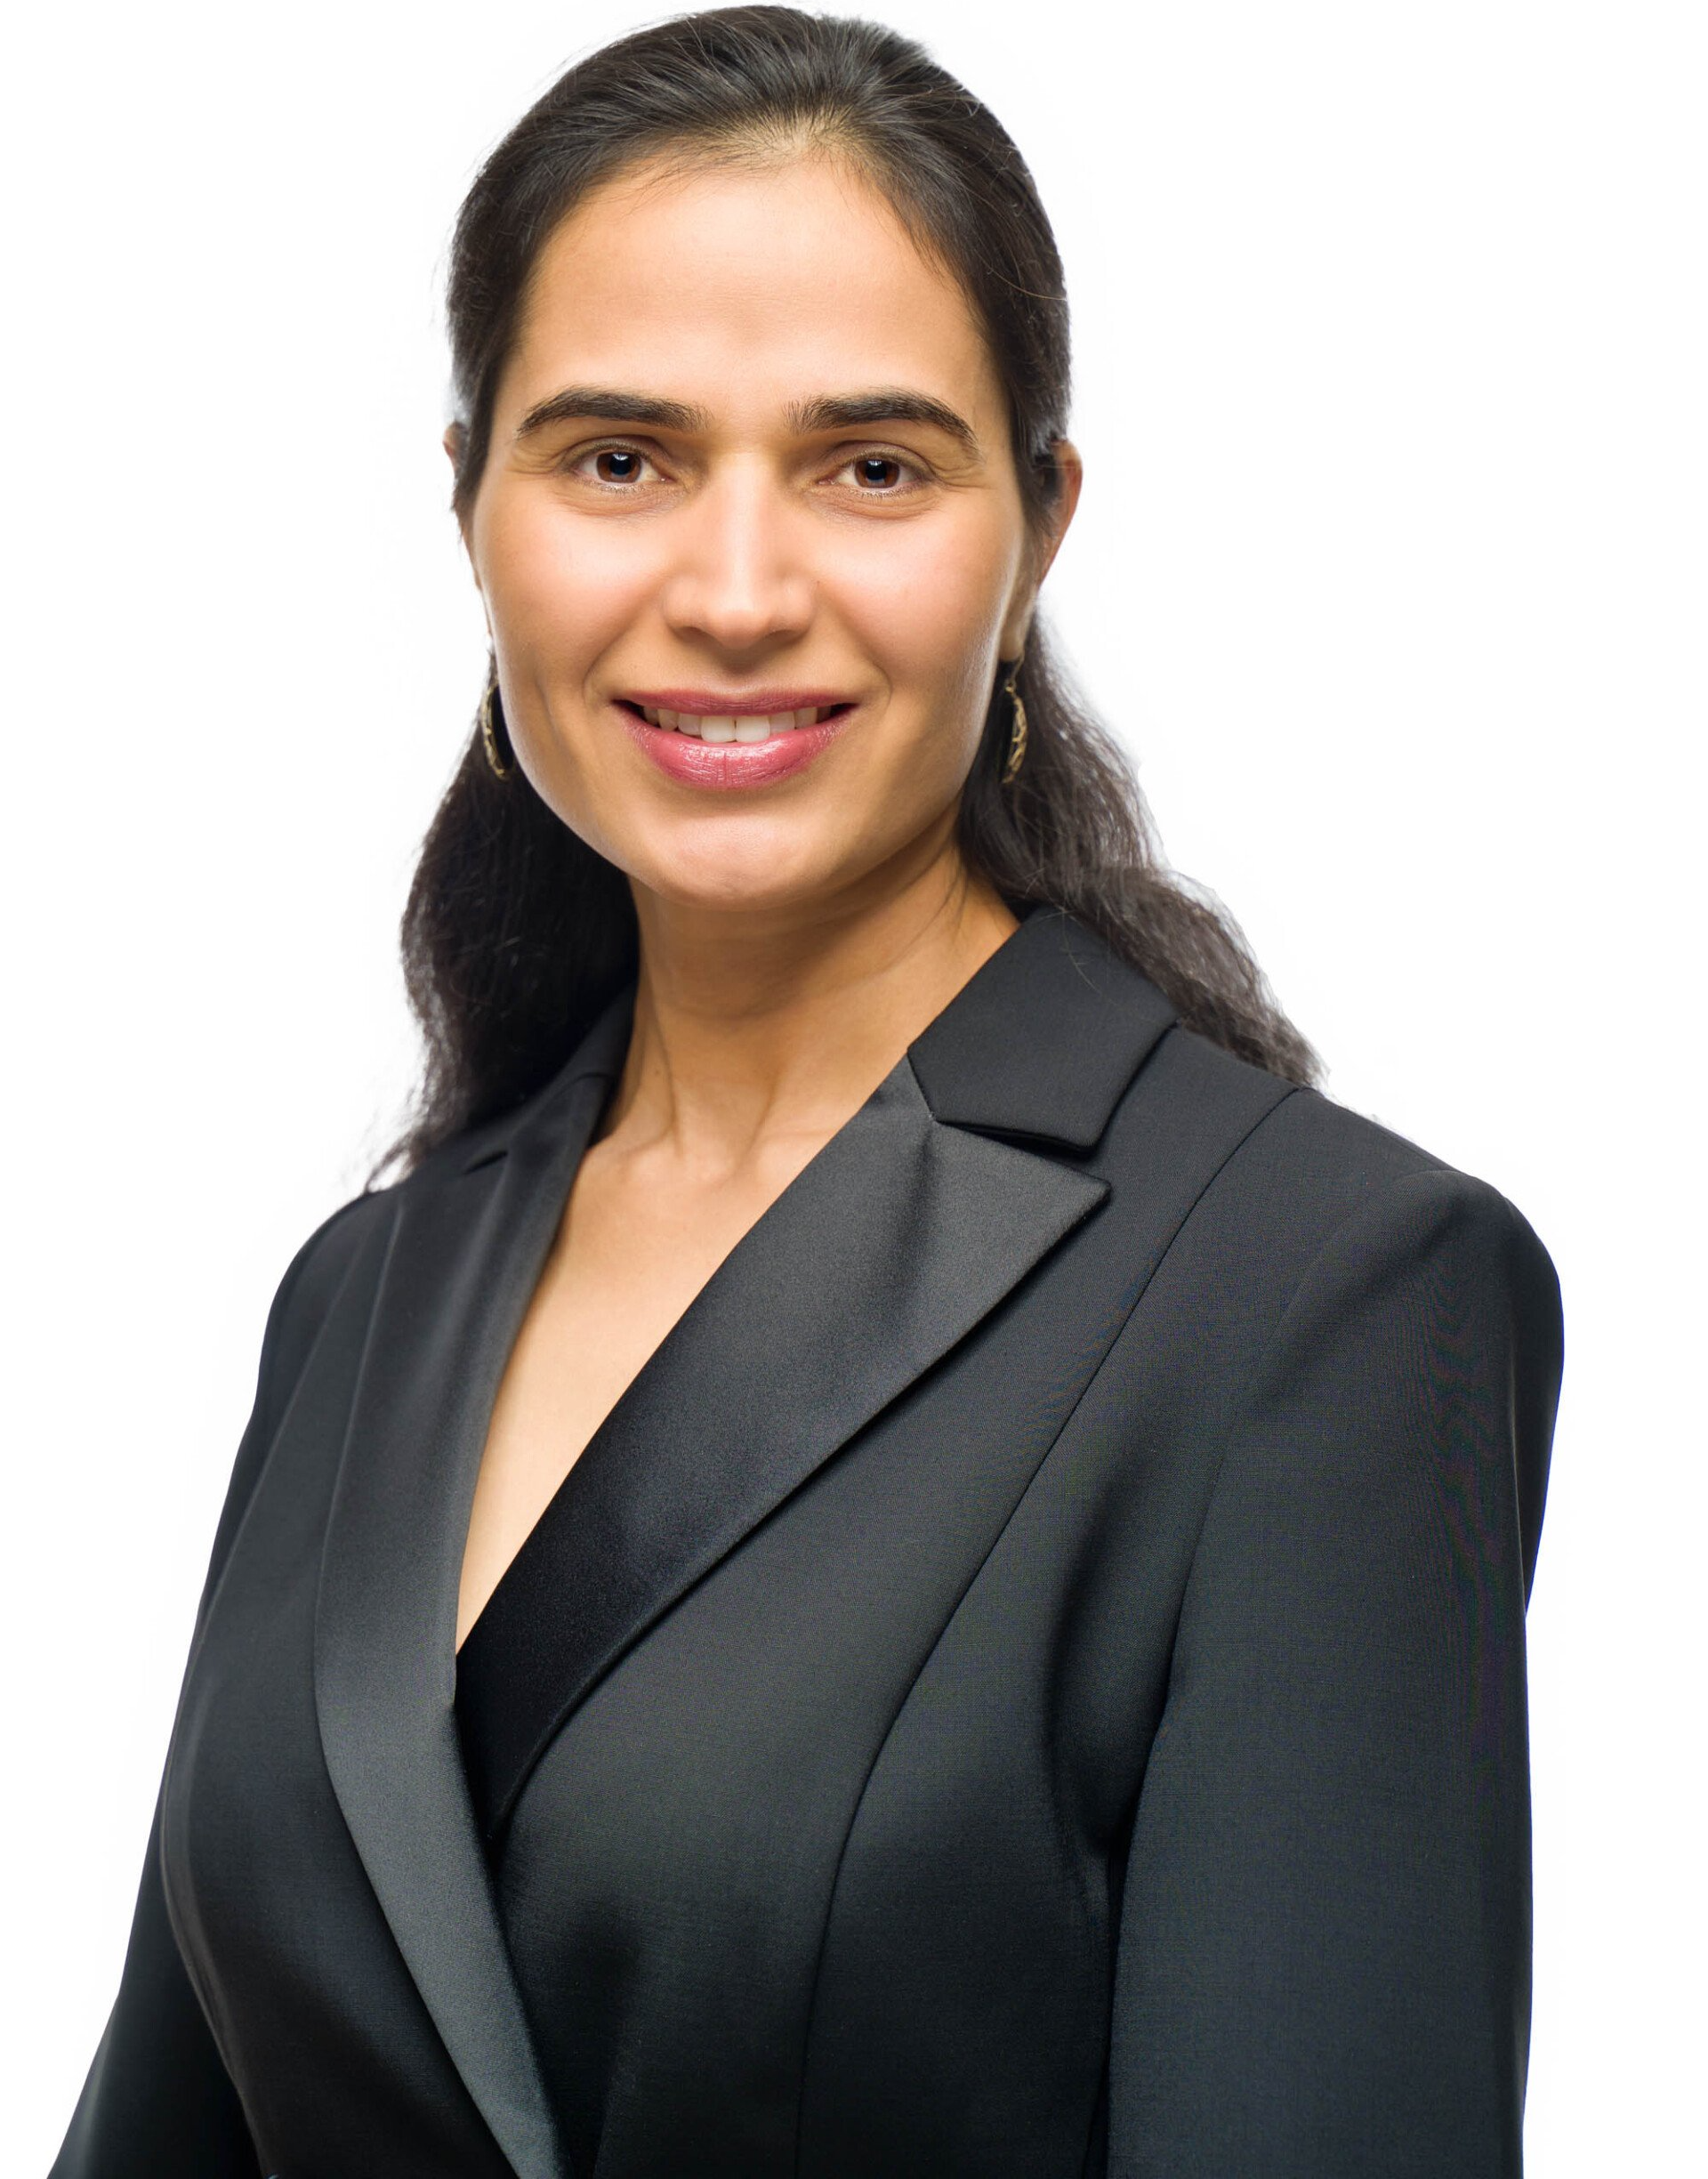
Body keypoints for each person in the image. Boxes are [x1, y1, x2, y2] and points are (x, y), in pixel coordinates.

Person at [52, 9, 1563, 2176]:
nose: (739, 593)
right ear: (470, 506)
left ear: (1035, 529)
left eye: (872, 465)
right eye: (618, 459)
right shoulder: (363, 1297)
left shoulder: (1325, 1298)